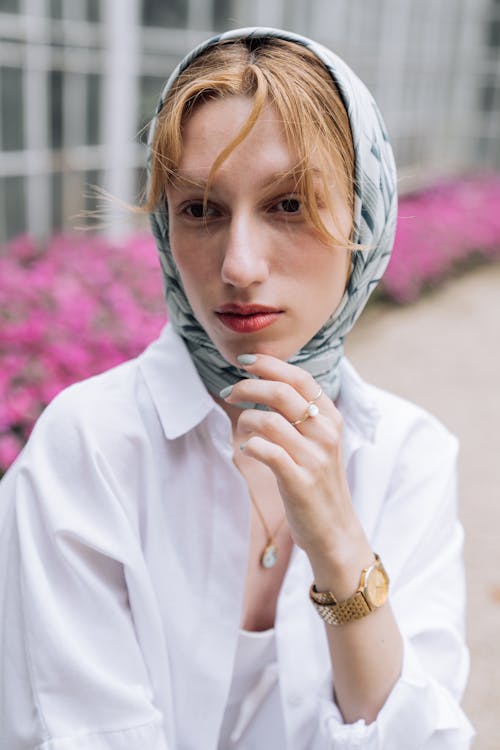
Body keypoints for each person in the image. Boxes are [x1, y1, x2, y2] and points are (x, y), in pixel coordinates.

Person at [0, 27, 474, 750]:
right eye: (200, 210)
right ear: (165, 226)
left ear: (366, 213)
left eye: (288, 205)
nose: (240, 265)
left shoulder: (408, 457)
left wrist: (341, 547)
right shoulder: (90, 449)